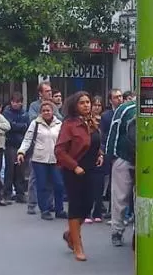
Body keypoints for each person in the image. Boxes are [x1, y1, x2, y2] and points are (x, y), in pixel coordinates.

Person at [55, 91, 103, 261]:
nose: (86, 105)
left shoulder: (92, 122)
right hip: (74, 171)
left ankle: (71, 234)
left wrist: (100, 154)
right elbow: (59, 151)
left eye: (88, 102)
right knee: (76, 206)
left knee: (88, 206)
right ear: (75, 106)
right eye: (82, 102)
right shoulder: (69, 125)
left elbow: (95, 143)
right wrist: (74, 166)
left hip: (91, 170)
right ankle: (77, 245)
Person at [17, 101, 64, 221]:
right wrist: (21, 152)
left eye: (48, 110)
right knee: (42, 185)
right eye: (43, 111)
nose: (46, 113)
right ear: (40, 113)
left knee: (59, 185)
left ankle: (59, 210)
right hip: (39, 159)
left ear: (53, 111)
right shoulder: (35, 124)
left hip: (55, 159)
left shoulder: (59, 124)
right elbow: (27, 139)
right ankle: (45, 210)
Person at [105, 94, 137, 247]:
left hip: (148, 160)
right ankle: (117, 231)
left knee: (142, 199)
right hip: (124, 157)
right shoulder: (126, 108)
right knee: (120, 197)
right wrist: (112, 156)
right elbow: (114, 131)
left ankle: (139, 233)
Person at [26, 82, 59, 215]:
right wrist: (46, 115)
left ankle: (48, 204)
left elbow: (60, 119)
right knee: (35, 178)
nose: (49, 93)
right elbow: (33, 119)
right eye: (47, 91)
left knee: (51, 179)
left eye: (50, 91)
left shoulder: (54, 106)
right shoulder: (34, 106)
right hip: (38, 149)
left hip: (52, 150)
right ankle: (32, 203)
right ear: (40, 93)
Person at [2, 93, 30, 204]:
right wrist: (20, 126)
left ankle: (20, 193)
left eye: (18, 102)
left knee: (20, 170)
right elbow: (9, 126)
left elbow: (27, 126)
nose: (16, 104)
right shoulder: (7, 112)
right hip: (10, 143)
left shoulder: (24, 113)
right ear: (11, 102)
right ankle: (7, 193)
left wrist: (16, 126)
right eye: (14, 102)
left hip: (21, 144)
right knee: (10, 170)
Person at [86, 95, 107, 223]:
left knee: (99, 185)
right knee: (87, 185)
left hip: (100, 154)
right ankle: (87, 212)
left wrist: (102, 153)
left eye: (99, 105)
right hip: (87, 155)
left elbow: (105, 137)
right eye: (95, 105)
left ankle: (98, 211)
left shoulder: (104, 120)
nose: (97, 108)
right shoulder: (86, 120)